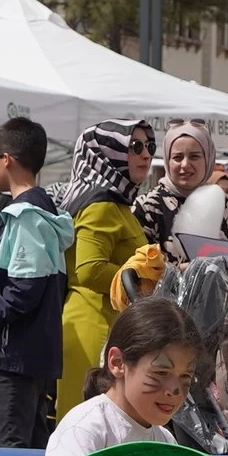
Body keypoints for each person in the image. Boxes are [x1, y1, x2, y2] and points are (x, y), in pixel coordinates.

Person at [0, 117, 71, 449]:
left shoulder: (27, 215)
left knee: (8, 448)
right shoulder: (41, 213)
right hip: (28, 355)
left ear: (5, 158)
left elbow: (25, 287)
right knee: (30, 447)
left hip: (18, 356)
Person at [55, 119, 154, 418]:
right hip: (93, 326)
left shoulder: (117, 203)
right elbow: (89, 269)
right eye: (135, 147)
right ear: (107, 154)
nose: (147, 155)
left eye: (149, 147)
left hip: (103, 323)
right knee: (87, 428)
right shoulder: (102, 204)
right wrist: (141, 280)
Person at [43, 295, 198, 456]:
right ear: (117, 363)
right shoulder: (84, 430)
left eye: (185, 376)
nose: (175, 390)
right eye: (161, 373)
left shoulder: (166, 441)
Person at [133, 120, 228, 255]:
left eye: (194, 156)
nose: (185, 164)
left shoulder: (226, 204)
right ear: (167, 161)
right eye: (177, 157)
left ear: (208, 160)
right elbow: (139, 264)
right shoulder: (147, 206)